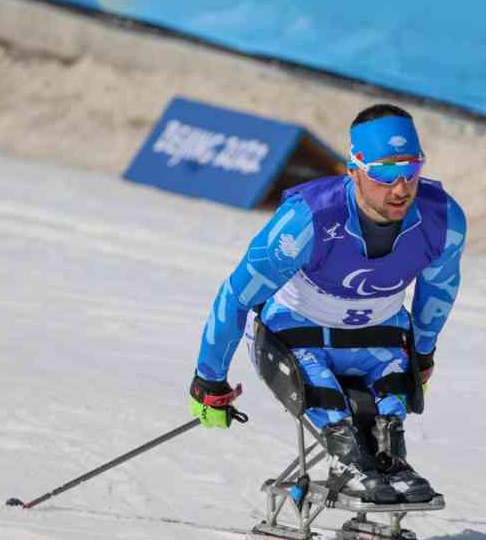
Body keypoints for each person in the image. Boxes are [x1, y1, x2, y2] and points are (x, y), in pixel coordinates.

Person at [188, 103, 467, 504]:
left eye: (411, 169)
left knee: (390, 417)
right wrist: (209, 380)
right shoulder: (308, 218)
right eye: (385, 172)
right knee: (336, 419)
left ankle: (390, 462)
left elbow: (438, 293)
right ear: (354, 168)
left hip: (379, 338)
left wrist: (422, 356)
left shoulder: (443, 218)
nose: (402, 187)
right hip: (297, 337)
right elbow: (236, 295)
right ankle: (347, 460)